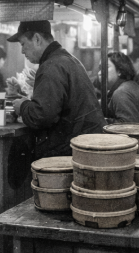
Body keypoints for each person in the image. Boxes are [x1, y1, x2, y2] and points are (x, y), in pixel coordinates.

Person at [8, 20, 106, 159]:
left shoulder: (51, 66)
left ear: (37, 39)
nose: (22, 51)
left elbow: (42, 116)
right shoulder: (67, 59)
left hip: (73, 150)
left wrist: (22, 105)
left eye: (23, 44)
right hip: (87, 144)